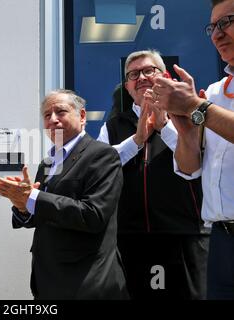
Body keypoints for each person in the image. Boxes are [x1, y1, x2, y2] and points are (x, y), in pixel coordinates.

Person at [0, 89, 128, 299]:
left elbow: (94, 215)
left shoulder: (102, 155)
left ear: (82, 116)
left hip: (85, 280)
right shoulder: (47, 163)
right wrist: (21, 205)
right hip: (47, 280)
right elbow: (41, 214)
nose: (53, 119)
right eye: (46, 115)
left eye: (60, 112)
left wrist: (32, 198)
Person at [98, 50, 209, 300]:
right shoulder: (112, 126)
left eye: (150, 71)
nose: (142, 78)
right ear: (127, 87)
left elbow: (201, 159)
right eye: (134, 74)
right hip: (130, 239)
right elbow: (101, 167)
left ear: (165, 76)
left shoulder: (189, 115)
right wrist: (137, 140)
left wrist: (164, 127)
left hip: (185, 235)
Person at [147, 0, 234, 299]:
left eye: (227, 22)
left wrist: (195, 107)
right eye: (213, 26)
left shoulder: (204, 101)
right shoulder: (213, 93)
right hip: (222, 241)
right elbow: (189, 168)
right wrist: (186, 131)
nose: (217, 34)